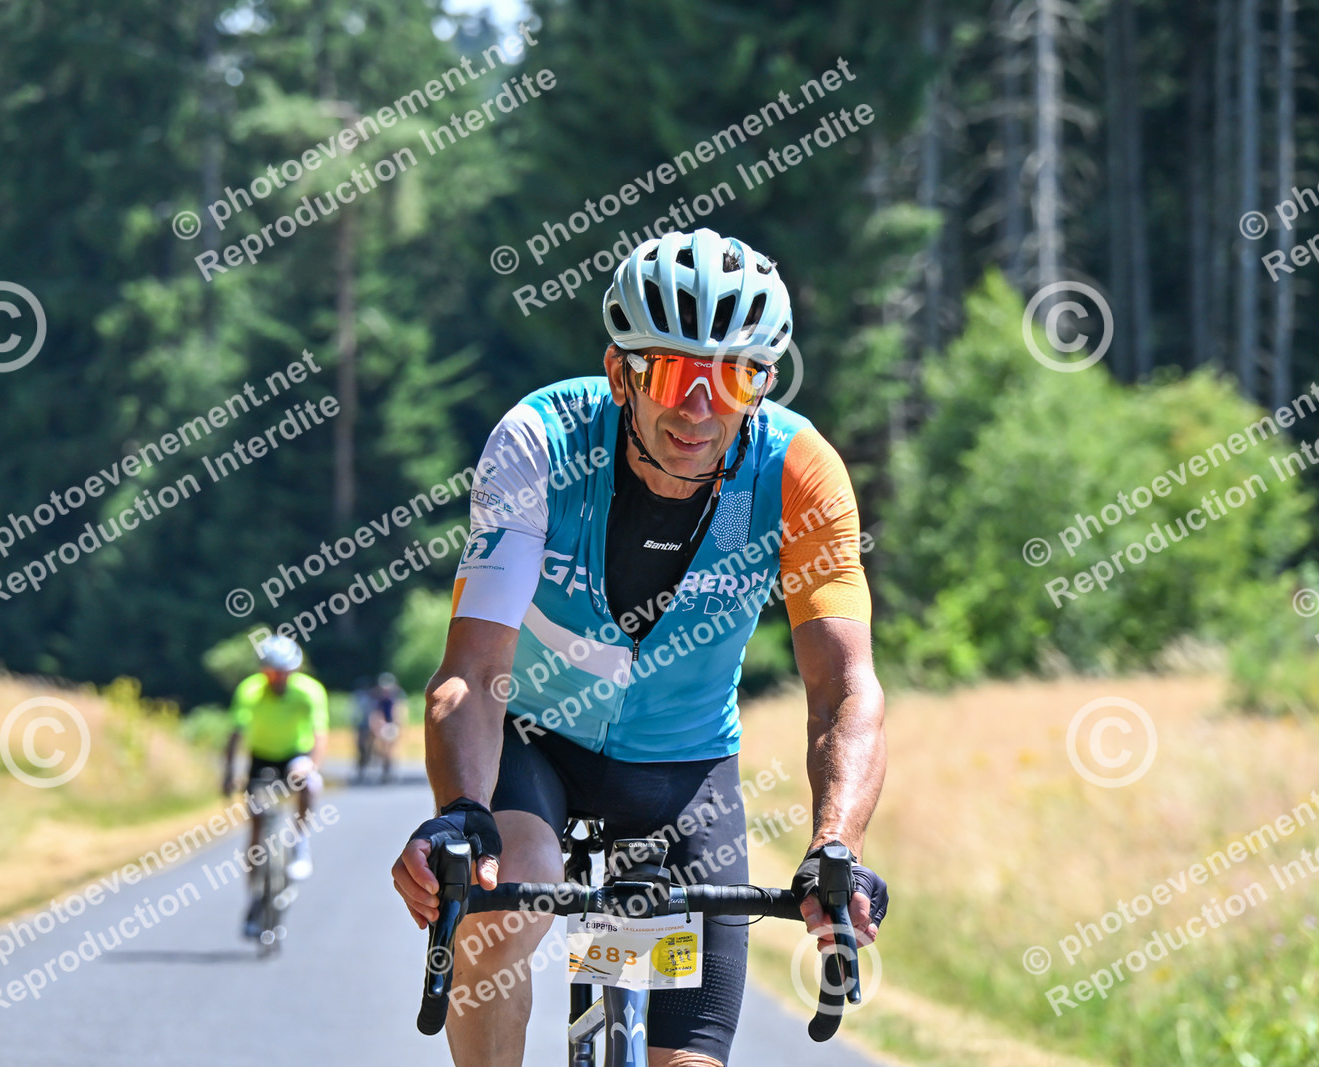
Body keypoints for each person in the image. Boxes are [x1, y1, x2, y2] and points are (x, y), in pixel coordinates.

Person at [390, 227, 889, 1067]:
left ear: (763, 384)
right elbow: (472, 669)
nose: (698, 407)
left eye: (731, 377)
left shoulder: (798, 470)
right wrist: (463, 813)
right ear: (620, 373)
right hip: (534, 742)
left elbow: (844, 687)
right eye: (670, 373)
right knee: (499, 906)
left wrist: (835, 843)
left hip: (682, 770)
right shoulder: (541, 442)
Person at [224, 634, 328, 938]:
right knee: (257, 826)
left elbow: (320, 735)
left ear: (294, 670)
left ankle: (301, 840)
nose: (279, 678)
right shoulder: (250, 690)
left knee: (309, 784)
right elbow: (235, 734)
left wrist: (311, 764)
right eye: (272, 672)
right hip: (261, 758)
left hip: (296, 756)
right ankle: (255, 895)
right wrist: (229, 772)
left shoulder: (309, 691)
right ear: (263, 671)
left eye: (285, 672)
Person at [369, 673, 403, 784]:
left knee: (390, 750)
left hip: (392, 725)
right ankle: (386, 770)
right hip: (383, 725)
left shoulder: (395, 699)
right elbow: (377, 714)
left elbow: (398, 714)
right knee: (383, 750)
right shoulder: (379, 700)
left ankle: (389, 770)